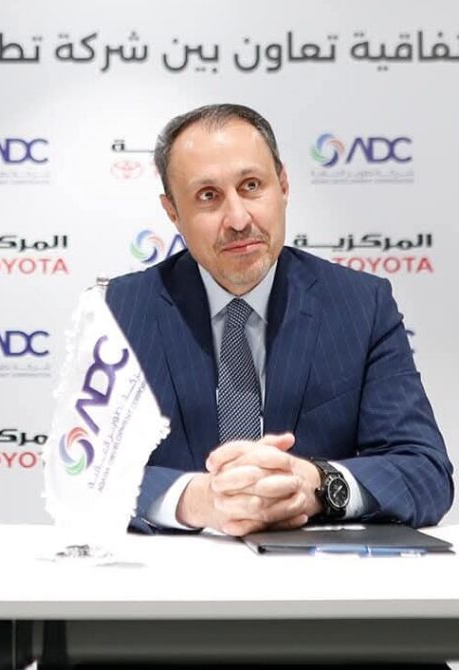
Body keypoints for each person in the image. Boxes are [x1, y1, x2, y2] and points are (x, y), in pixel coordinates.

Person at [107, 104, 453, 535]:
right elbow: (84, 475)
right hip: (173, 571)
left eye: (251, 186)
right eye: (208, 196)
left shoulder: (361, 305)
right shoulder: (121, 310)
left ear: (283, 185)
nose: (238, 220)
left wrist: (316, 485)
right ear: (172, 212)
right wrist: (198, 499)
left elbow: (424, 472)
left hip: (316, 572)